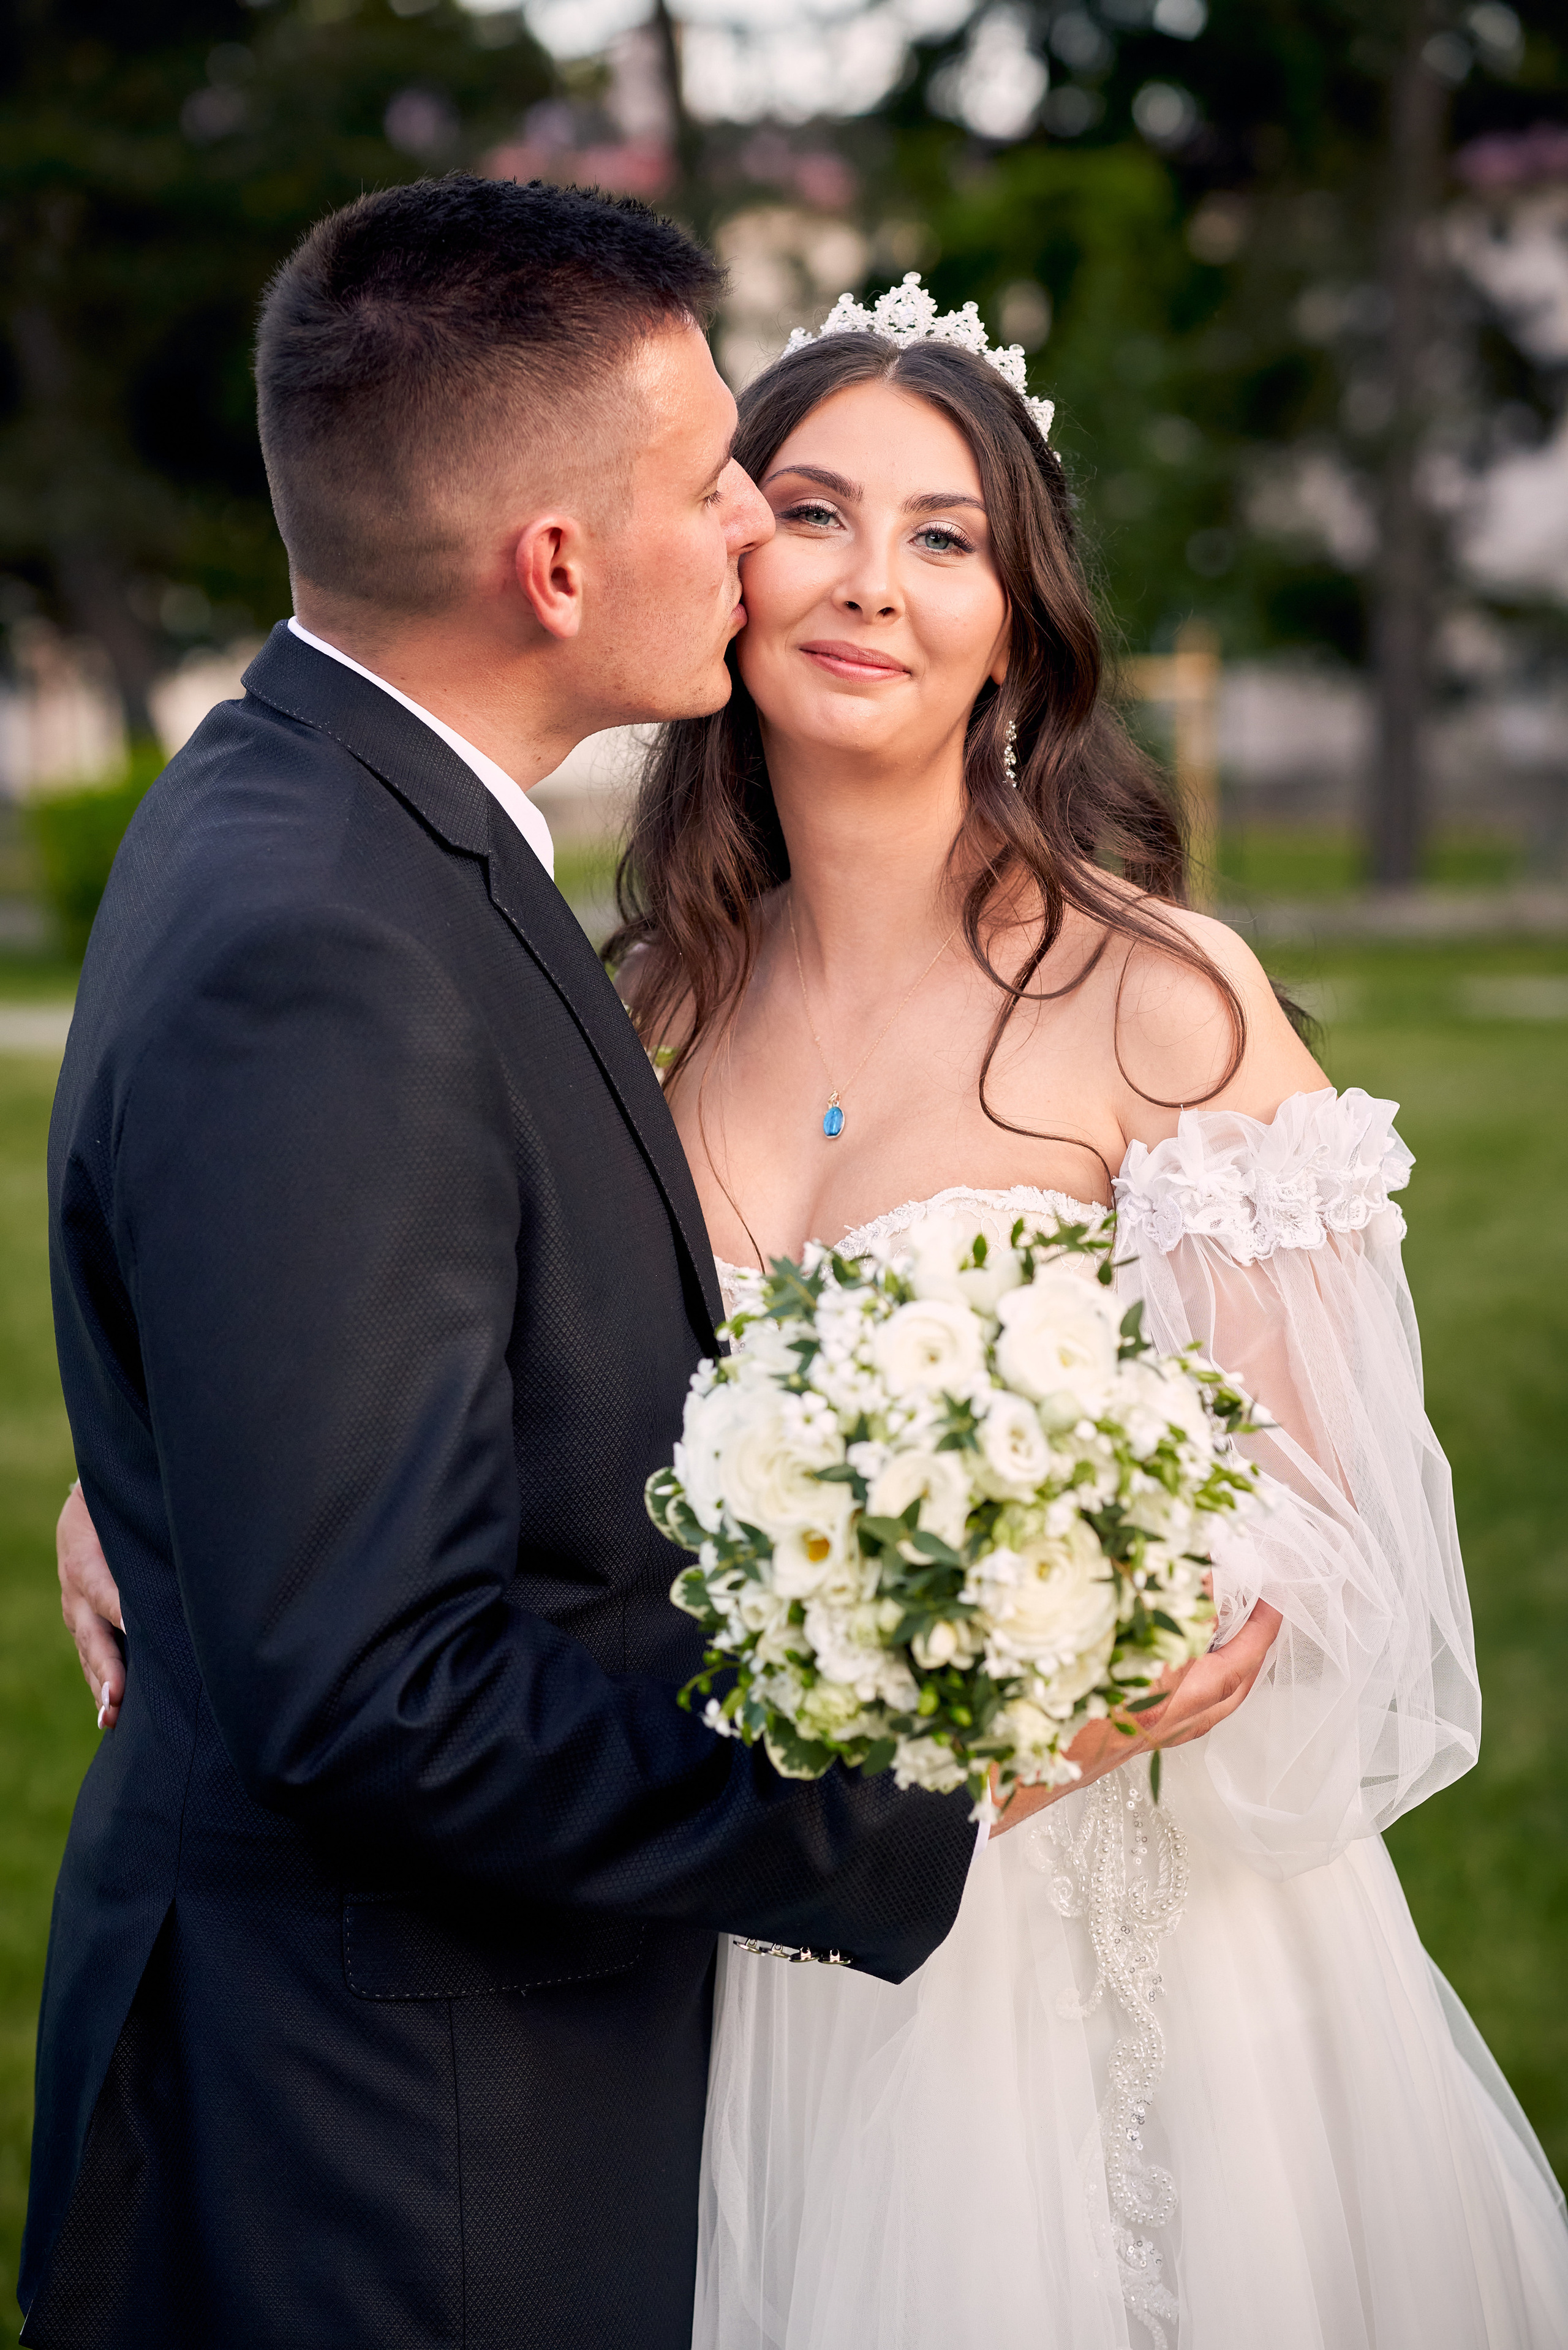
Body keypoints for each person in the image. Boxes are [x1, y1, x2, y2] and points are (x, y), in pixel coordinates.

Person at [22, 181, 1065, 2350]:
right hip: (401, 2148)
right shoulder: (332, 933)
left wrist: (201, 1466)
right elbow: (379, 1690)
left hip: (438, 2075)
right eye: (722, 488)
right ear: (559, 567)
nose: (761, 545)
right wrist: (877, 1821)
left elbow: (362, 1364)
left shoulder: (332, 813)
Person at [594, 284, 1566, 2347]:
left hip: (1102, 1930)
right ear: (725, 561)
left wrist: (1013, 1659)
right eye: (815, 512)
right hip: (744, 1920)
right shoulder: (650, 1011)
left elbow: (1317, 1535)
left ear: (1019, 626)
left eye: (945, 537)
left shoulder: (1154, 995)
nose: (872, 583)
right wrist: (138, 1495)